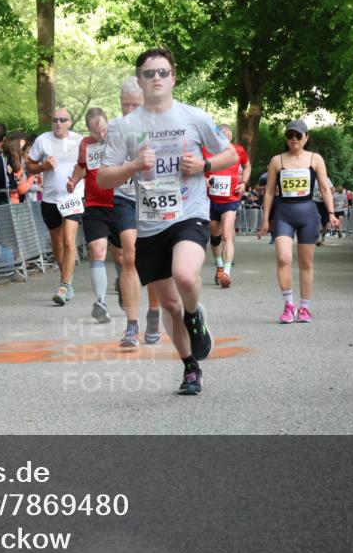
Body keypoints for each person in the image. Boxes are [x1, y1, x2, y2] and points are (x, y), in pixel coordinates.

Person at [100, 48, 239, 395]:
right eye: (149, 73)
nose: (156, 78)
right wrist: (133, 166)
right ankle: (191, 368)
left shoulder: (194, 117)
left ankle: (195, 316)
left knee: (185, 275)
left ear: (173, 78)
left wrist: (204, 166)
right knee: (170, 305)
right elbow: (103, 178)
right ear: (140, 80)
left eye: (163, 72)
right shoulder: (124, 127)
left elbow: (230, 155)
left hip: (189, 213)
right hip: (150, 222)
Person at [258, 120, 340, 324]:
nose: (293, 139)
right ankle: (289, 305)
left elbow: (324, 188)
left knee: (306, 263)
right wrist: (265, 219)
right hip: (283, 214)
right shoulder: (277, 161)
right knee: (283, 258)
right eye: (290, 135)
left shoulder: (315, 159)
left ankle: (304, 307)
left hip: (308, 214)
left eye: (298, 135)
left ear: (306, 137)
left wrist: (331, 213)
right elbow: (269, 191)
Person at [105, 77, 161, 347]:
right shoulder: (114, 127)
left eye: (134, 106)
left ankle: (154, 314)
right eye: (124, 105)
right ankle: (131, 325)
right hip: (124, 196)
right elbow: (106, 169)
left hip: (152, 196)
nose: (129, 111)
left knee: (152, 257)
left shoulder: (160, 126)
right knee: (130, 255)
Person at [27, 107, 84, 305]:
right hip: (50, 198)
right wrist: (43, 167)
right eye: (55, 120)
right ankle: (66, 279)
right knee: (57, 242)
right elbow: (29, 166)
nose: (58, 123)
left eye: (63, 120)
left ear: (70, 122)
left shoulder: (79, 141)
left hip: (72, 197)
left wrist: (74, 181)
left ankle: (64, 286)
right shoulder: (43, 140)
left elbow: (85, 167)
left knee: (69, 240)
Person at [66, 107, 118, 323]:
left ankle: (124, 286)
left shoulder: (120, 138)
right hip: (95, 204)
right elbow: (82, 167)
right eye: (96, 133)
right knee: (97, 250)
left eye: (104, 130)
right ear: (88, 130)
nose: (101, 135)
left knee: (123, 256)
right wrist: (73, 181)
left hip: (120, 203)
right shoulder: (86, 144)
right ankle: (101, 302)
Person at [205, 124, 250, 288]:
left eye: (228, 139)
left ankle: (226, 273)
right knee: (215, 237)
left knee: (226, 236)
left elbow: (247, 165)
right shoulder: (205, 150)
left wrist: (244, 182)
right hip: (210, 200)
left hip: (230, 200)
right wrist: (203, 179)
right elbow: (196, 169)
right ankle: (219, 265)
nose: (225, 143)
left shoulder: (238, 150)